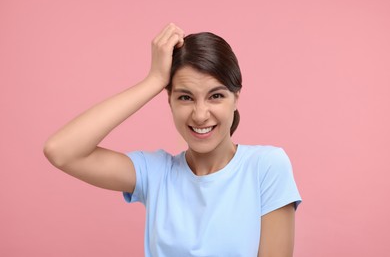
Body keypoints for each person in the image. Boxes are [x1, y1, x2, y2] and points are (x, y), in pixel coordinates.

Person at [44, 23, 302, 257]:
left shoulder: (266, 167)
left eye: (216, 96)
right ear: (169, 101)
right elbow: (61, 151)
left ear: (236, 98)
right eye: (185, 97)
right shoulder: (156, 172)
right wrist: (154, 80)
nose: (200, 115)